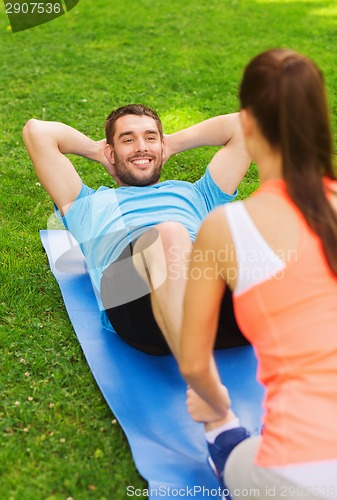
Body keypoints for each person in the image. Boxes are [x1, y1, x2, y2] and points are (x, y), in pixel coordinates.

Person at [179, 49, 337, 500]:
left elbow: (193, 362)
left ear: (246, 123)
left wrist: (217, 404)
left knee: (224, 433)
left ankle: (222, 430)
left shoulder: (225, 227)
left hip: (301, 473)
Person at [23, 104, 251, 358]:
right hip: (136, 305)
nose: (141, 146)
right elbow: (37, 132)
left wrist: (170, 143)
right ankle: (194, 365)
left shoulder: (197, 194)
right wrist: (98, 152)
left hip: (208, 299)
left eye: (150, 138)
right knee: (169, 235)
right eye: (128, 139)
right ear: (111, 151)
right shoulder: (85, 205)